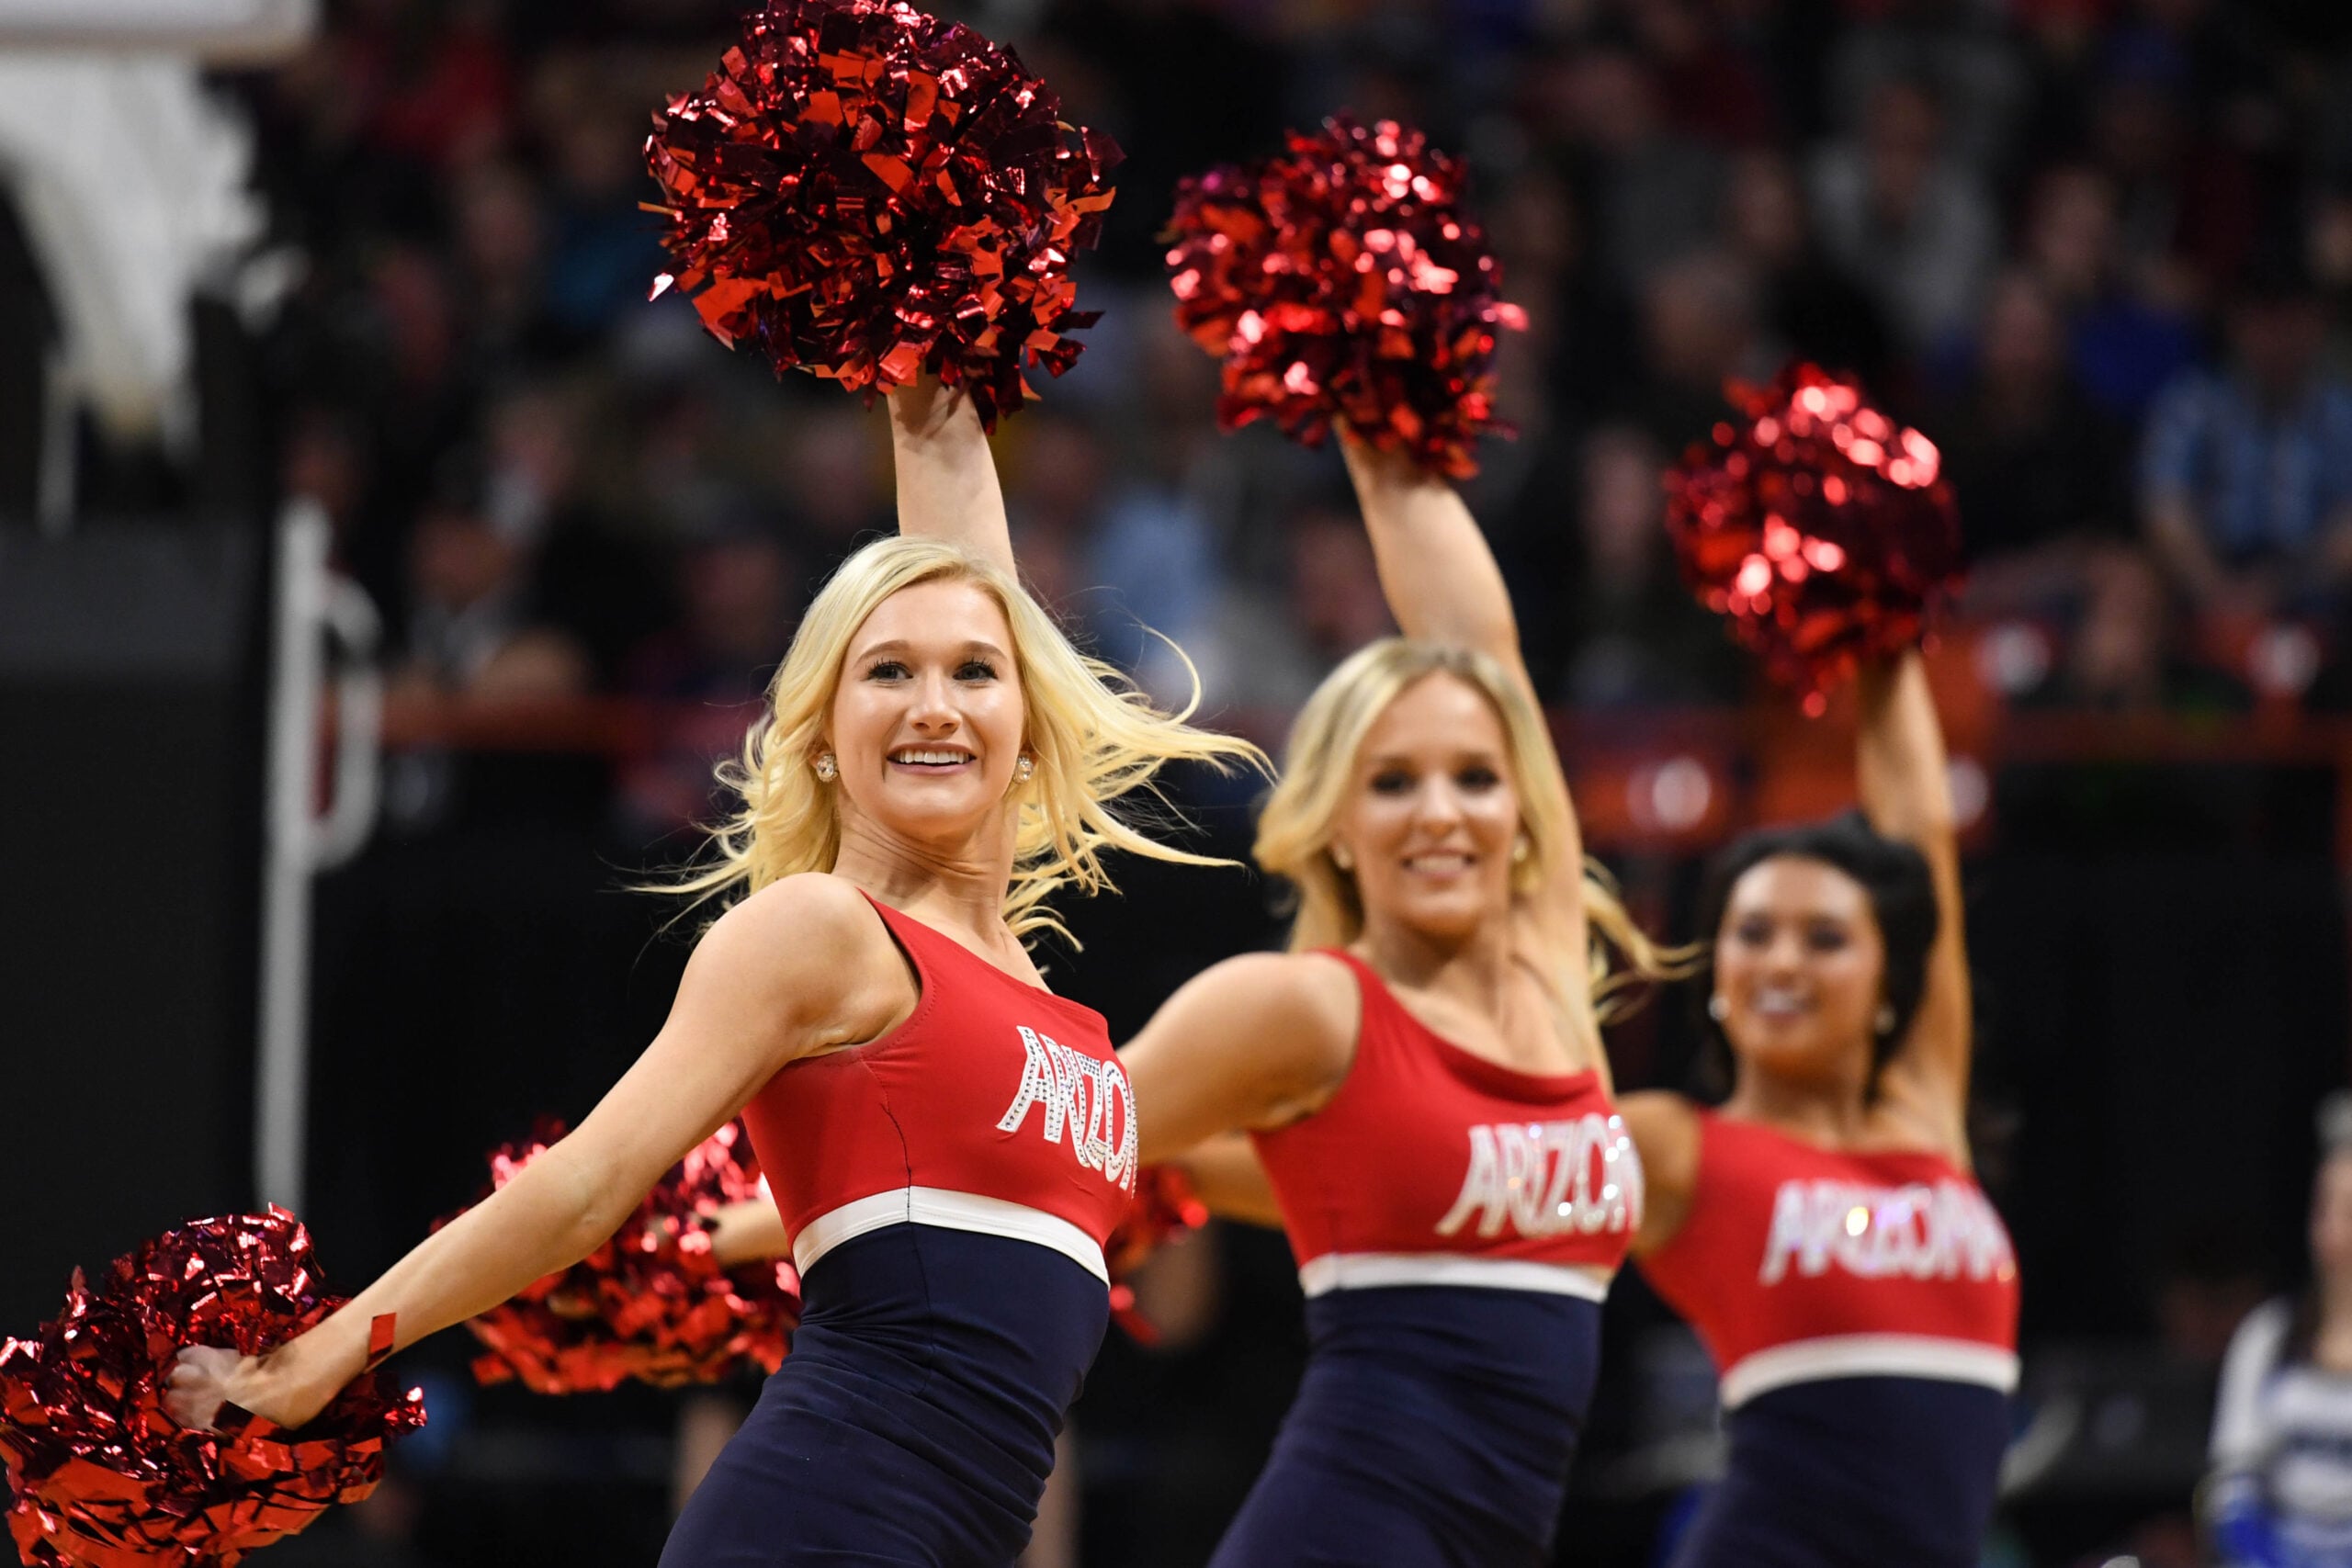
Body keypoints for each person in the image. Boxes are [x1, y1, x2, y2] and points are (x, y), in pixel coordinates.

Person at [162, 378, 1262, 1568]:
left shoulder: (1048, 999)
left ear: (1029, 718)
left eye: (974, 673)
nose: (934, 702)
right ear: (827, 741)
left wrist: (930, 378)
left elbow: (963, 553)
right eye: (885, 672)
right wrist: (329, 1349)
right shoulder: (825, 935)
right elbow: (588, 1181)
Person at [1118, 434, 1686, 1567]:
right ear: (1336, 820)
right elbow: (1028, 1130)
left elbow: (1485, 649)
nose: (1442, 812)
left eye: (1475, 777)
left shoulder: (1548, 980)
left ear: (1519, 804)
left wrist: (1379, 423)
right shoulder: (1308, 1011)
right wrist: (742, 1234)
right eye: (1392, 782)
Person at [1625, 651, 2021, 1568]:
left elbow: (1920, 832)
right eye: (1752, 933)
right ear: (1717, 973)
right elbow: (1466, 1169)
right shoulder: (1678, 1148)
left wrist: (1882, 637)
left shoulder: (1922, 1111)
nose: (1783, 963)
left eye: (1825, 938)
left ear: (1890, 980)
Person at [2204, 1092, 2352, 1568]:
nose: (2333, 1235)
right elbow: (2231, 1481)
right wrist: (2259, 1555)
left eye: (2349, 1214)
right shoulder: (2270, 1335)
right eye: (2323, 1210)